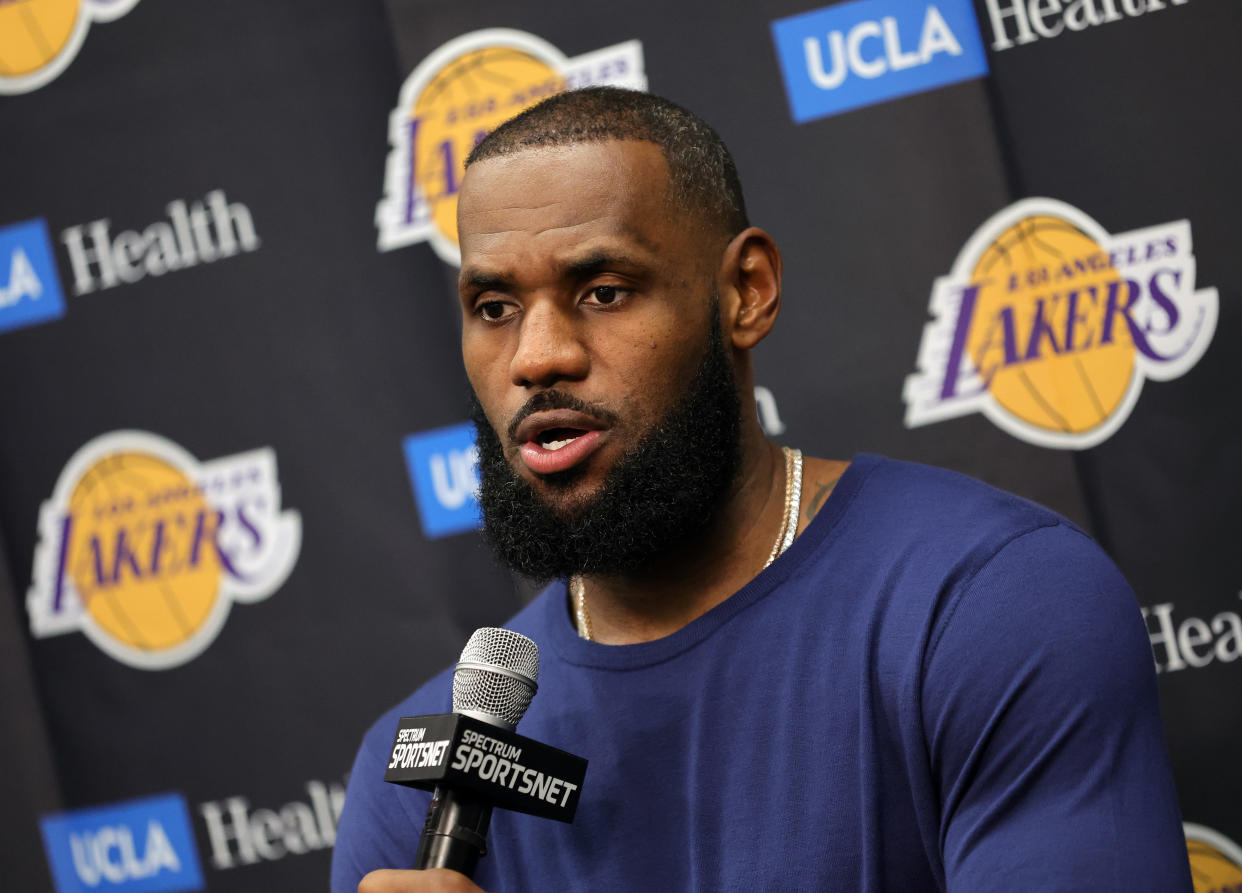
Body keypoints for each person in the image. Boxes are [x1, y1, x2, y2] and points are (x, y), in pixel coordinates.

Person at [331, 87, 1192, 892]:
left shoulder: (992, 602)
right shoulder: (414, 773)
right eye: (493, 307)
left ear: (747, 291)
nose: (536, 355)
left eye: (603, 290)